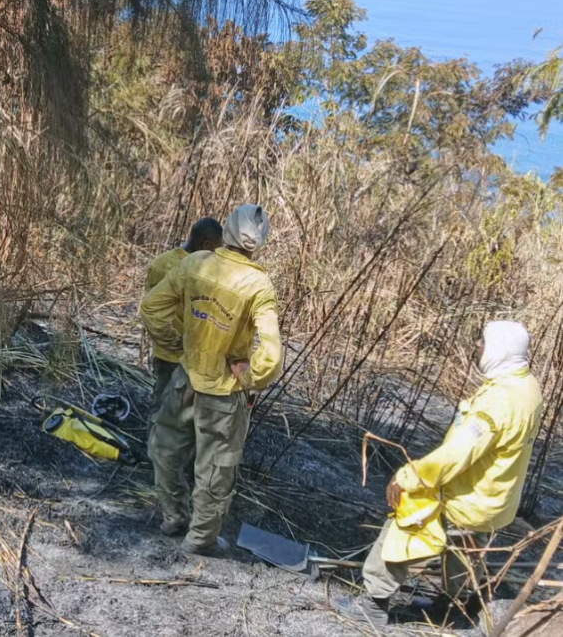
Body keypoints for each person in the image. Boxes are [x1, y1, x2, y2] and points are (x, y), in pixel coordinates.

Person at [332, 320, 544, 627]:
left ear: (499, 349)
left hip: (464, 498)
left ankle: (373, 604)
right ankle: (450, 607)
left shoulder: (497, 403)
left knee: (401, 533)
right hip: (494, 500)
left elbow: (457, 454)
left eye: (482, 341)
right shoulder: (527, 386)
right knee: (464, 550)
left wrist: (408, 477)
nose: (478, 346)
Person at [140, 204, 283, 555]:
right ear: (257, 242)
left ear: (229, 231)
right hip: (223, 394)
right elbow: (272, 354)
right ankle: (200, 539)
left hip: (184, 379)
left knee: (166, 451)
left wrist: (178, 344)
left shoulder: (192, 265)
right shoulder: (258, 284)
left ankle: (174, 516)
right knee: (214, 469)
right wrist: (249, 378)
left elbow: (151, 308)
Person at [144, 218, 223, 430]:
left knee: (169, 406)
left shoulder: (161, 262)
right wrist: (175, 342)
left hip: (175, 351)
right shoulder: (187, 271)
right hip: (176, 353)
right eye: (217, 249)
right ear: (206, 245)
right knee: (165, 407)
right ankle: (154, 454)